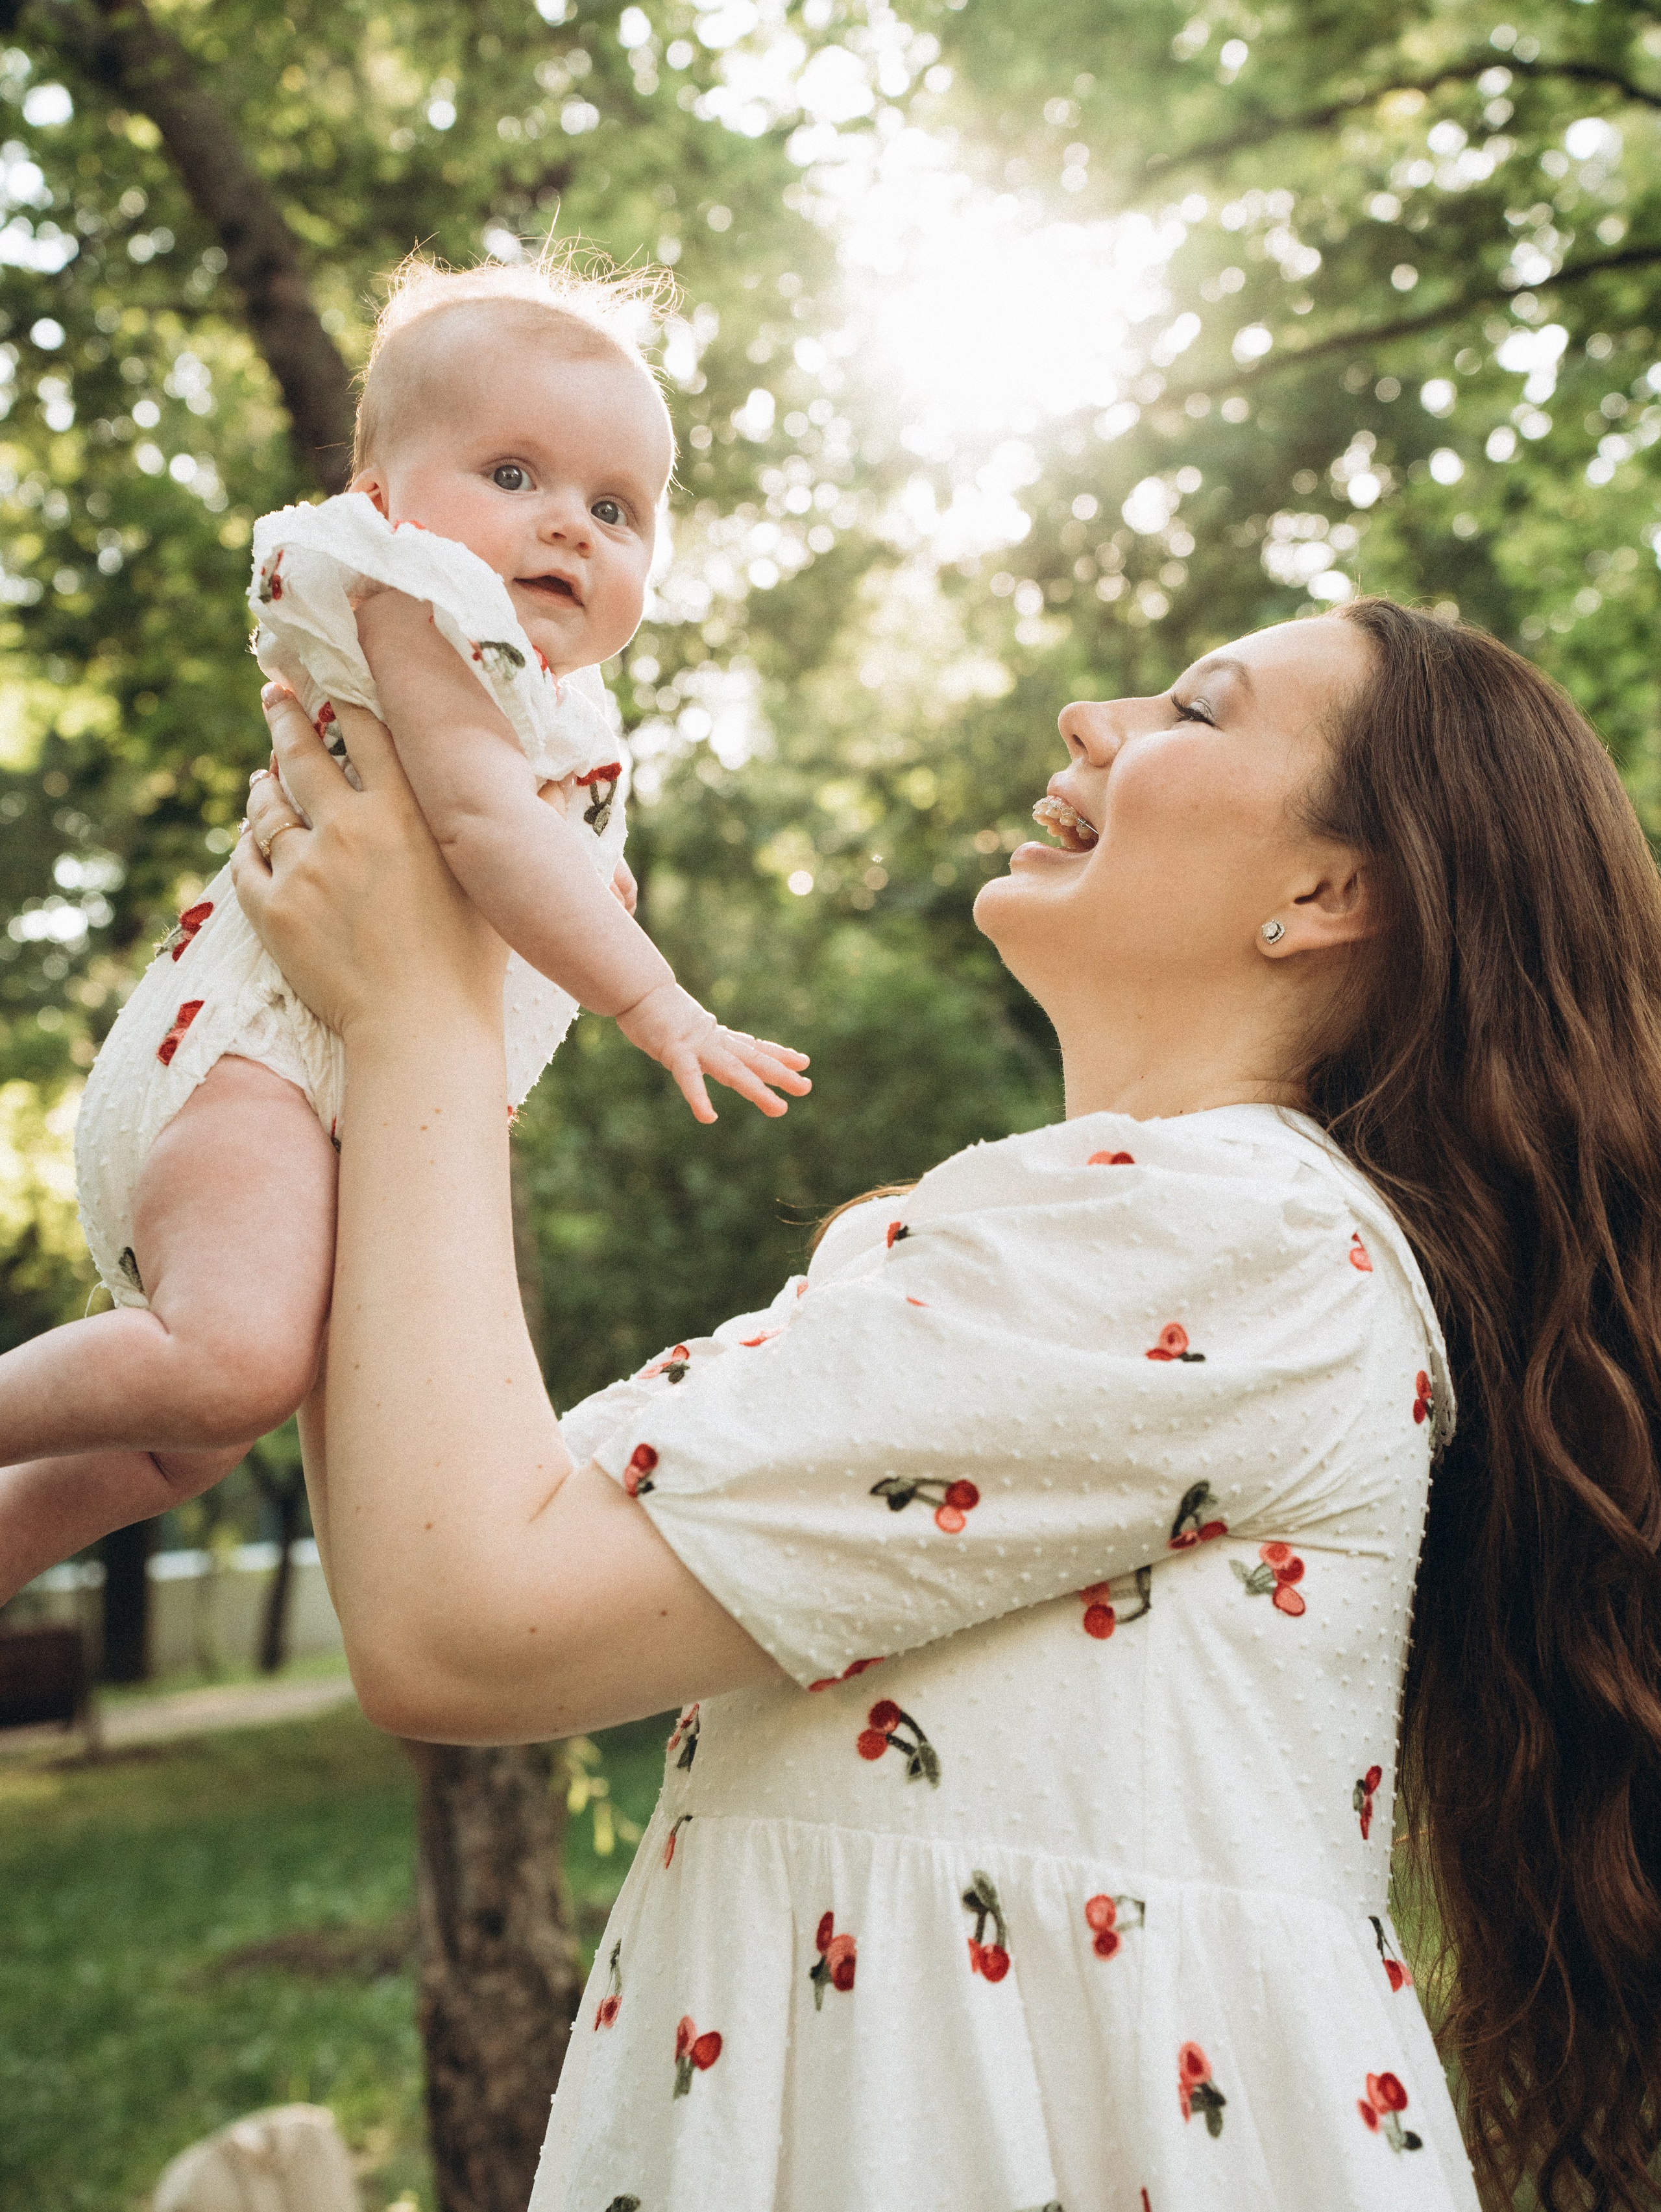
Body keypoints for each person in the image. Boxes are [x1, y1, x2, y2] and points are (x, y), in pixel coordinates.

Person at [230, 596, 1661, 2212]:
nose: (1089, 716)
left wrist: (418, 1010)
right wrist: (338, 1028)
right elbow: (450, 1520)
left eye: (1194, 709)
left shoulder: (1220, 1236)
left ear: (1327, 890)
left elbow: (461, 1611)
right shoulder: (1096, 1242)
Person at [0, 256, 806, 1598]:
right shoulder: (416, 606)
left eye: (616, 509)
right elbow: (486, 828)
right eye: (512, 475)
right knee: (230, 1362)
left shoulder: (553, 701)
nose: (567, 527)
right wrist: (655, 999)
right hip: (257, 1063)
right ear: (378, 500)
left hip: (325, 1087)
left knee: (191, 1431)